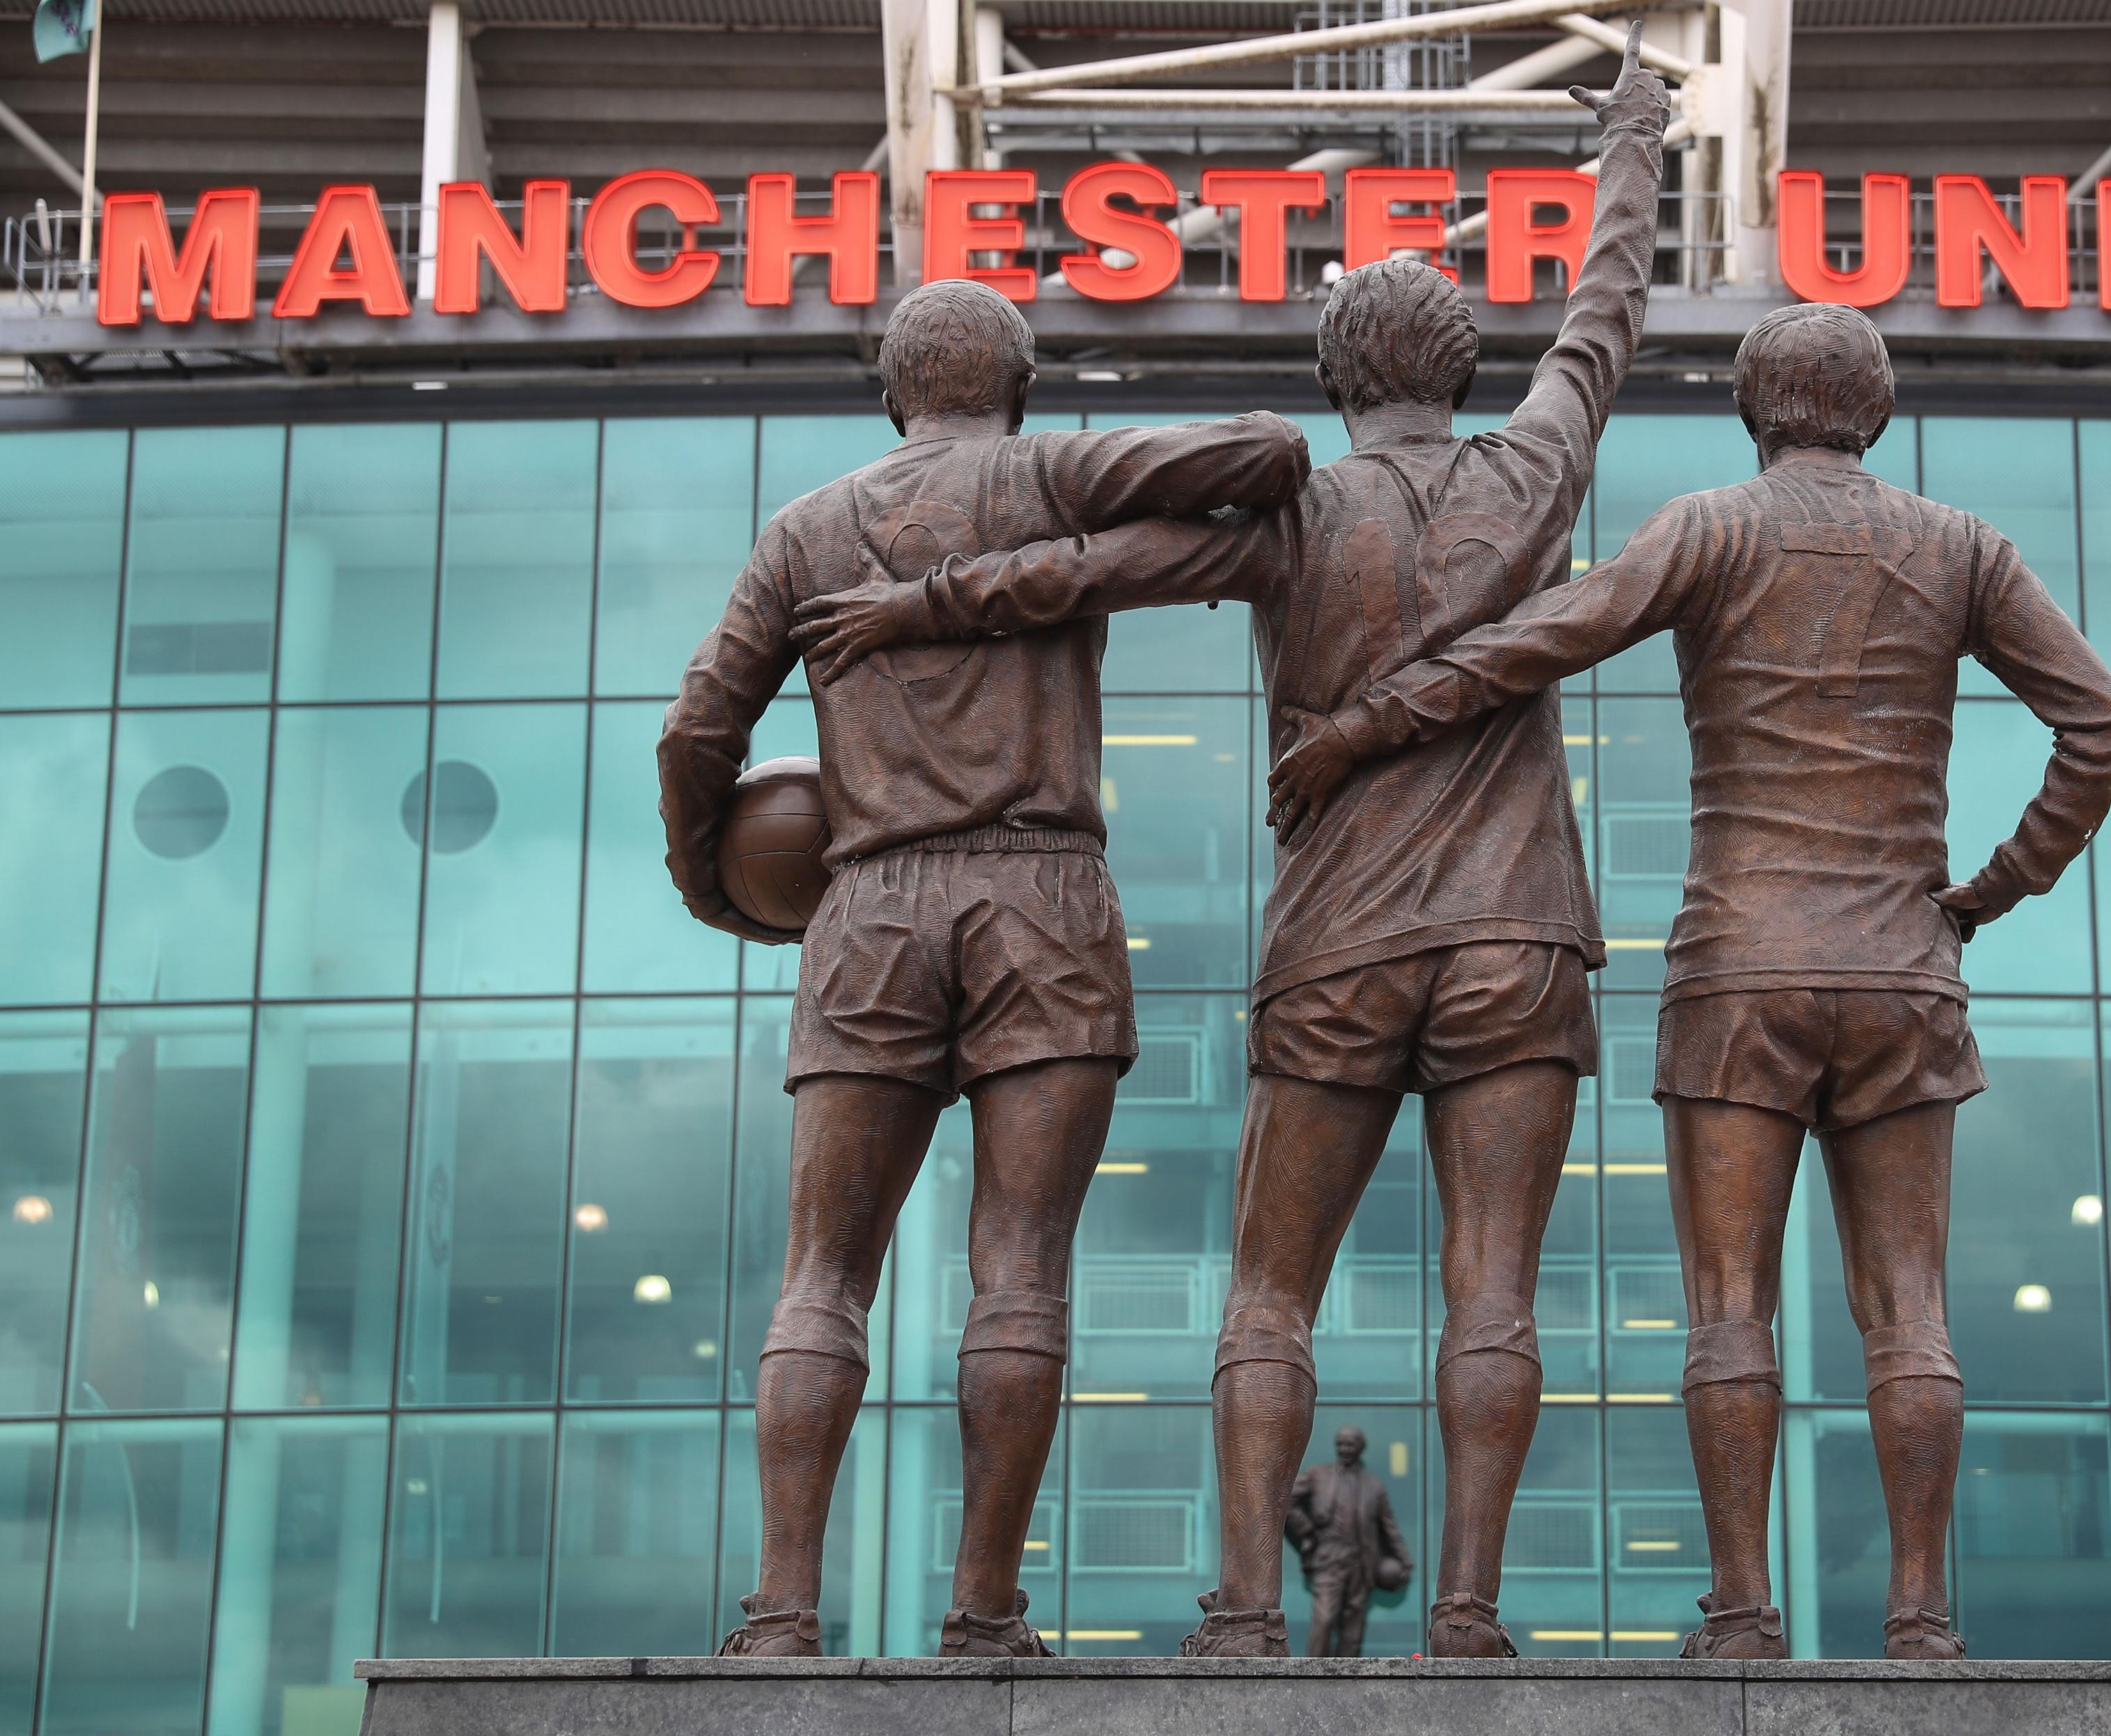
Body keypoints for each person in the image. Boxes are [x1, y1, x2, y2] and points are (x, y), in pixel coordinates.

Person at [786, 33, 1671, 1659]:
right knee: (1496, 1288)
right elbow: (1604, 309)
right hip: (1517, 934)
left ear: (1335, 378)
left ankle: (1249, 1614)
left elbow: (1086, 570)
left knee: (1270, 1295)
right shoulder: (1534, 468)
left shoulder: (1287, 516)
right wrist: (1630, 139)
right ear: (1461, 360)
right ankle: (1464, 1613)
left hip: (1336, 944)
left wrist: (910, 603)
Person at [1264, 302, 2111, 1661]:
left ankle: (1741, 1611)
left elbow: (1539, 640)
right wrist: (1994, 885)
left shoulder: (1709, 528)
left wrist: (1367, 724)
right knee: (1908, 1305)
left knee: (1731, 1304)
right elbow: (2103, 722)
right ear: (1879, 411)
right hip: (1906, 966)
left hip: (1740, 968)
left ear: (1752, 409)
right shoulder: (1962, 548)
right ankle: (1920, 1617)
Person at [655, 279, 1309, 1659]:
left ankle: (781, 1611)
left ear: (896, 395)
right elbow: (1270, 453)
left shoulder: (807, 528)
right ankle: (986, 1608)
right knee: (1021, 1268)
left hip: (869, 905)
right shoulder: (1051, 471)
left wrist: (712, 886)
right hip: (1042, 893)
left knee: (821, 1273)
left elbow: (692, 732)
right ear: (1014, 387)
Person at [1285, 1425, 1413, 1657]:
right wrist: (1307, 1530)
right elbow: (1286, 1501)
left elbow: (1389, 1527)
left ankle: (1348, 1680)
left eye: (1350, 1444)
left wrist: (1405, 1560)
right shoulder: (1318, 1475)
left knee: (1353, 1625)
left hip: (1361, 1559)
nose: (1344, 1449)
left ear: (1361, 1448)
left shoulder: (1374, 1486)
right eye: (1340, 1444)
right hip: (1328, 1556)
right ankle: (1312, 1677)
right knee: (1324, 1618)